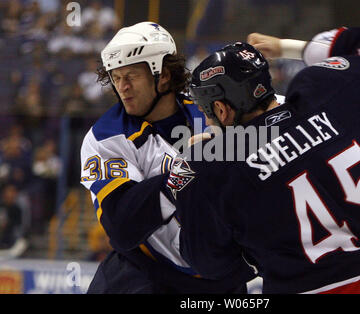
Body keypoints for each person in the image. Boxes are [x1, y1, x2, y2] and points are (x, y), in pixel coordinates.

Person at [165, 25, 360, 293]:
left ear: (221, 109)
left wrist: (188, 169)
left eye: (207, 112)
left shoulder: (211, 163)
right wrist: (288, 48)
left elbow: (209, 264)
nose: (207, 121)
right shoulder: (331, 97)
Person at [80, 22, 254, 293]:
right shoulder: (105, 137)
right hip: (143, 275)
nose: (122, 87)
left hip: (221, 281)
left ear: (163, 75)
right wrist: (186, 169)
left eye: (132, 76)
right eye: (116, 77)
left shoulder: (213, 109)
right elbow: (122, 225)